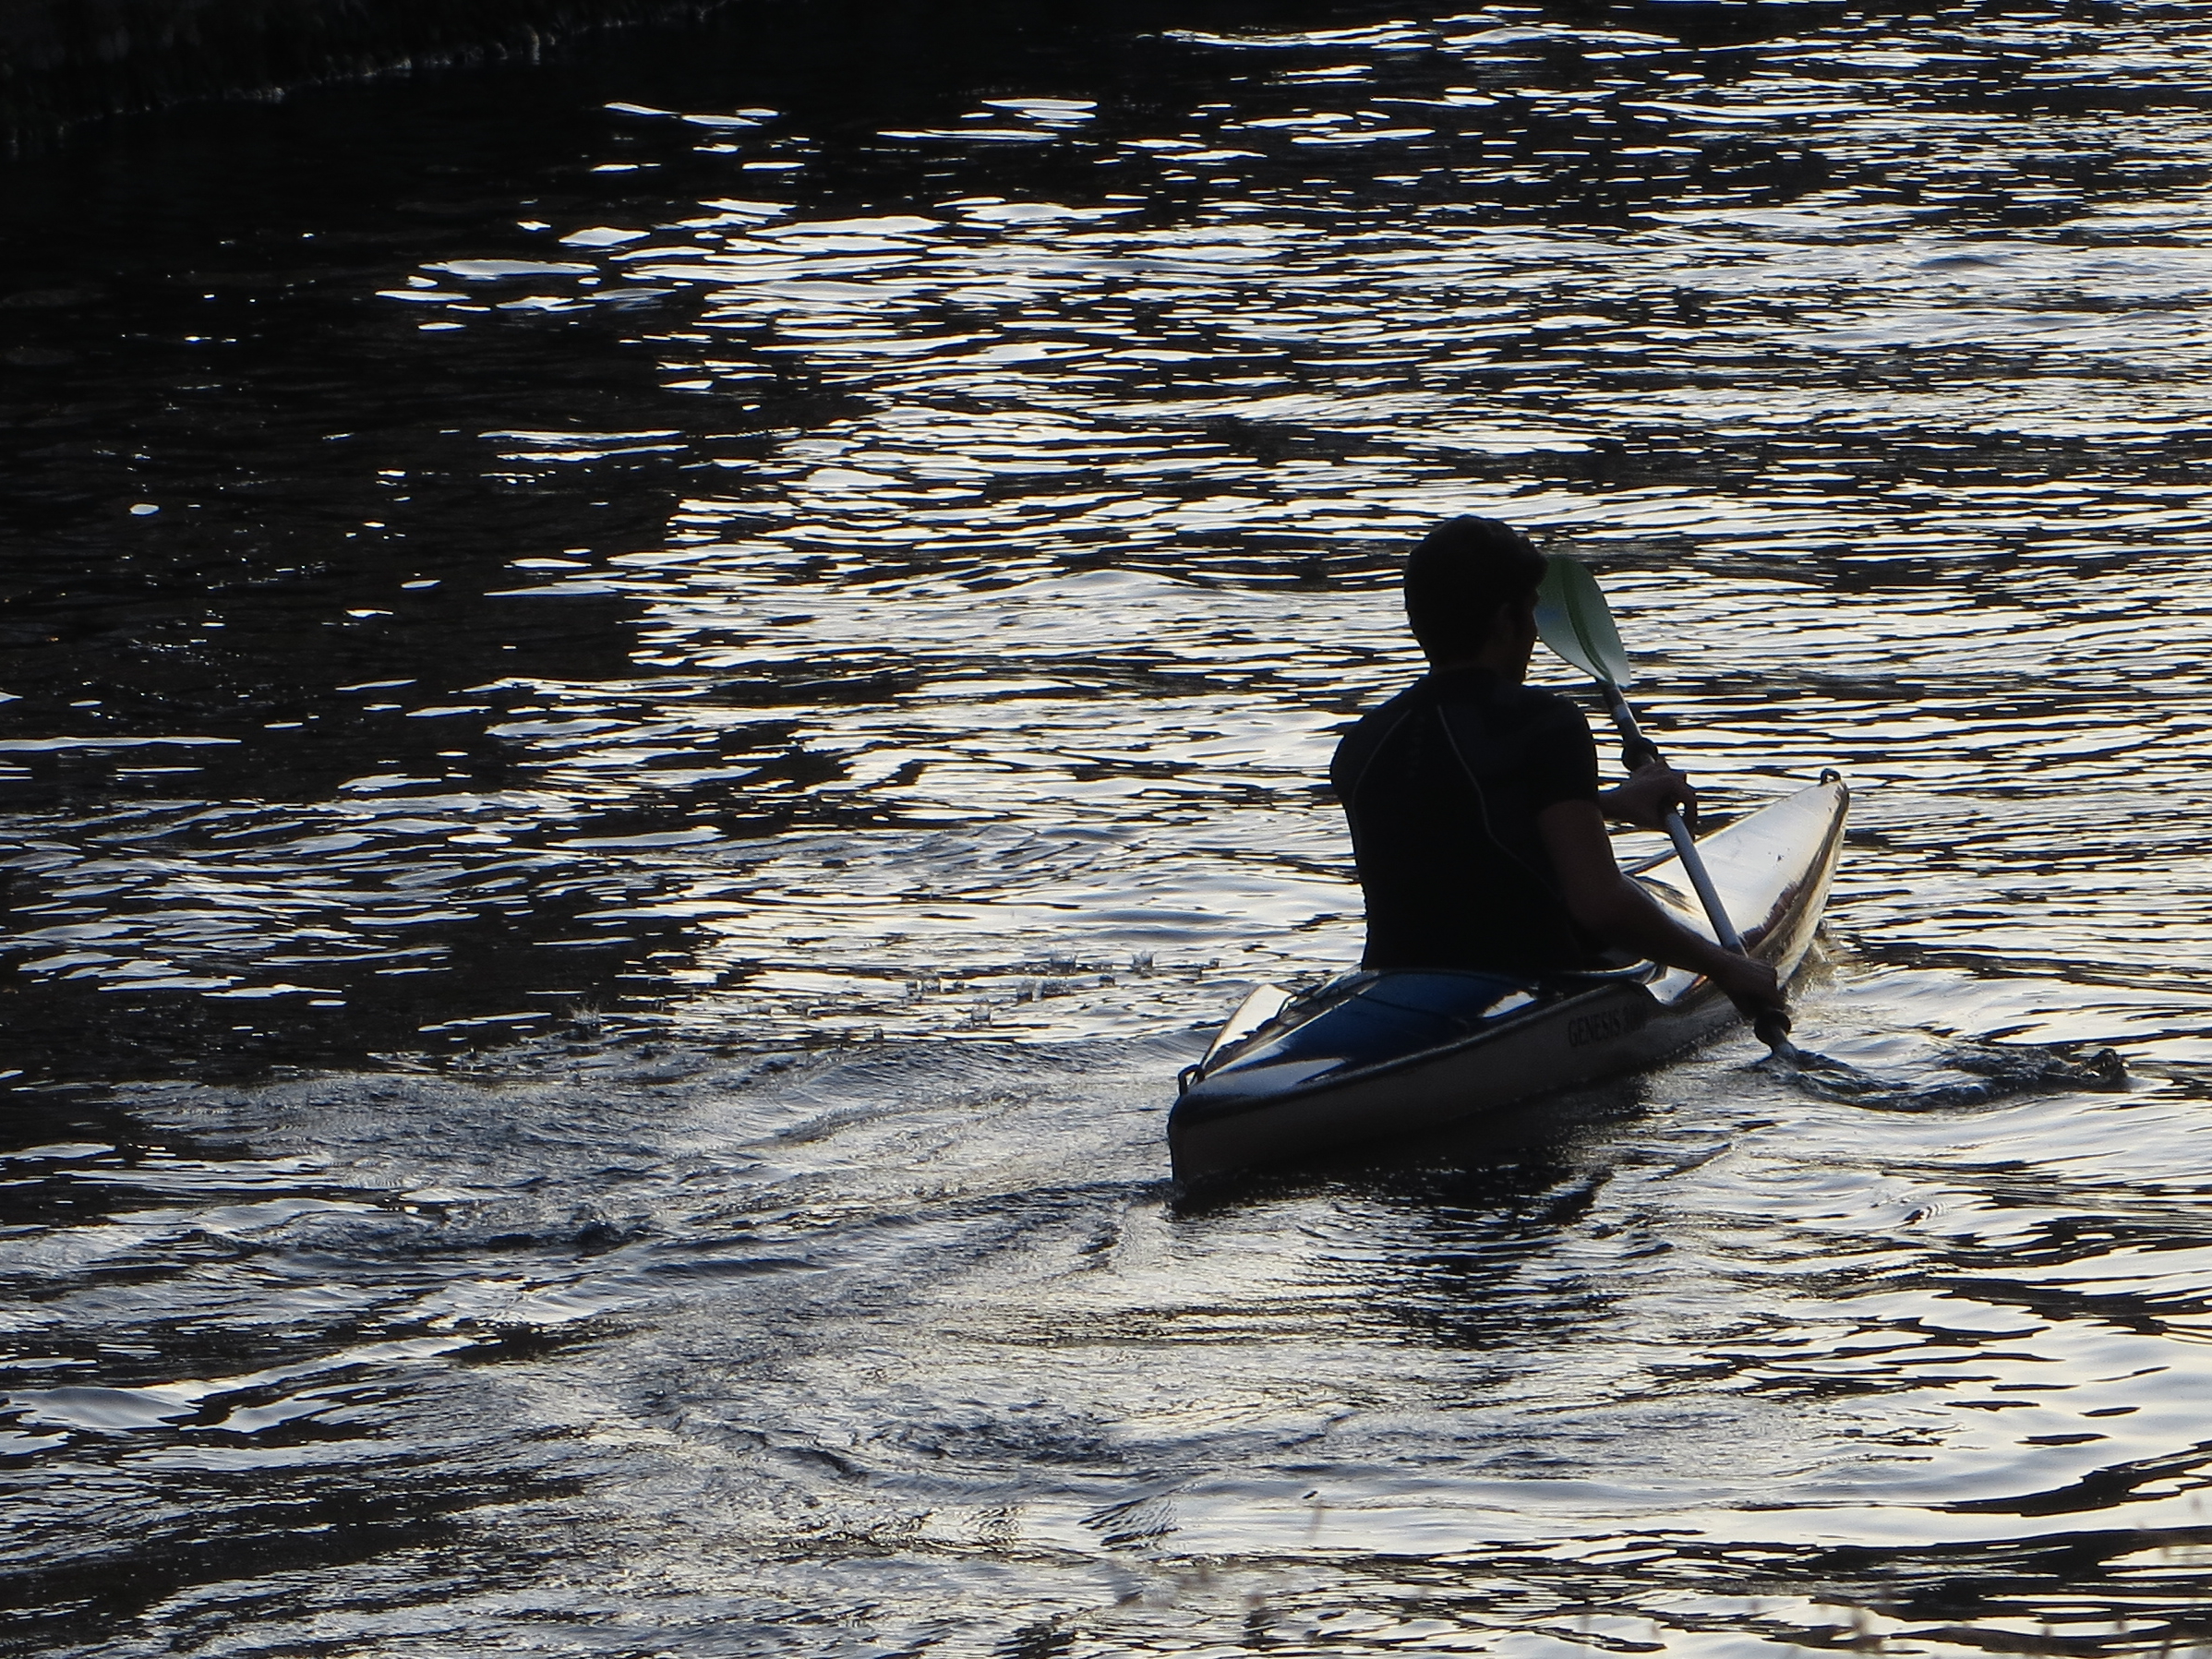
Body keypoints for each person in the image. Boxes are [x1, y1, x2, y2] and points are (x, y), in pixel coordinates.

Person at [1329, 514, 1787, 1028]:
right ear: (1507, 620)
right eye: (1533, 614)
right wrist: (1723, 967)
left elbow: (1456, 821)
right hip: (1534, 987)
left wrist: (1604, 803)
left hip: (1390, 987)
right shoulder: (1545, 723)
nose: (1535, 636)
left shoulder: (1363, 743)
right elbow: (1599, 904)